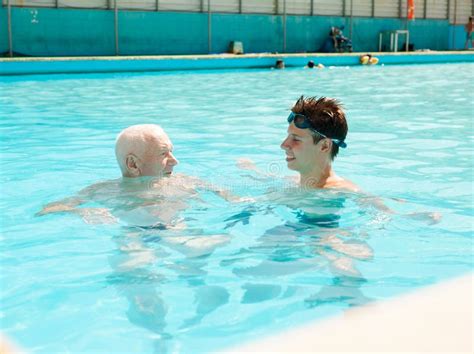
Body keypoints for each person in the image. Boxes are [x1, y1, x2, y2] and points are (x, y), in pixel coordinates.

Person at [281, 96, 357, 191]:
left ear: (324, 146)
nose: (283, 145)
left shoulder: (341, 192)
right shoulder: (291, 182)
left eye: (296, 139)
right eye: (288, 137)